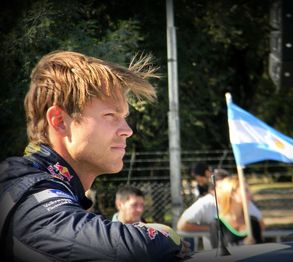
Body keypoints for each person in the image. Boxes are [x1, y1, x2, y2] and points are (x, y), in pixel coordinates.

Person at [0, 50, 190, 261]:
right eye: (110, 115)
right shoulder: (24, 188)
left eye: (124, 117)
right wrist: (167, 235)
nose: (127, 130)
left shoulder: (38, 183)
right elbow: (132, 250)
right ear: (60, 121)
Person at [177, 169, 264, 250]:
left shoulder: (250, 213)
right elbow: (181, 225)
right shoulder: (206, 204)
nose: (250, 194)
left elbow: (261, 225)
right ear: (212, 190)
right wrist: (212, 229)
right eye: (221, 187)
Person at [209, 176, 263, 248]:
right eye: (246, 190)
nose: (250, 194)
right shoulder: (217, 224)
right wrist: (242, 247)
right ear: (232, 193)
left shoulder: (253, 222)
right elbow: (217, 256)